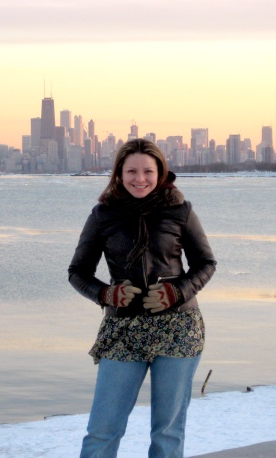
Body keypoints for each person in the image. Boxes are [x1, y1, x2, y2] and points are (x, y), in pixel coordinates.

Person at [68, 138, 217, 458]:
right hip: (123, 331)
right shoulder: (102, 215)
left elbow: (206, 264)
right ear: (119, 174)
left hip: (178, 329)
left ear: (160, 173)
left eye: (148, 171)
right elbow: (77, 272)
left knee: (167, 432)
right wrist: (106, 294)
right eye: (131, 171)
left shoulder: (180, 211)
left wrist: (177, 292)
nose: (140, 178)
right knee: (102, 430)